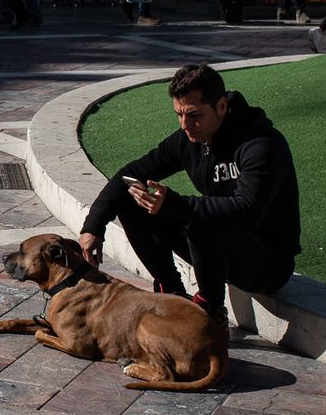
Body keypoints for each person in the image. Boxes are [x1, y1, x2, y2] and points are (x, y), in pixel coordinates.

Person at [78, 63, 301, 321]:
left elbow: (247, 212)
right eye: (179, 115)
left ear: (221, 107)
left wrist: (175, 204)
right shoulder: (189, 139)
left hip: (266, 263)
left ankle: (209, 311)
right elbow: (131, 172)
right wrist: (93, 226)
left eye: (194, 115)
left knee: (203, 223)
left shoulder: (261, 144)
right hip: (214, 248)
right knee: (133, 197)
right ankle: (171, 291)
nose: (185, 124)